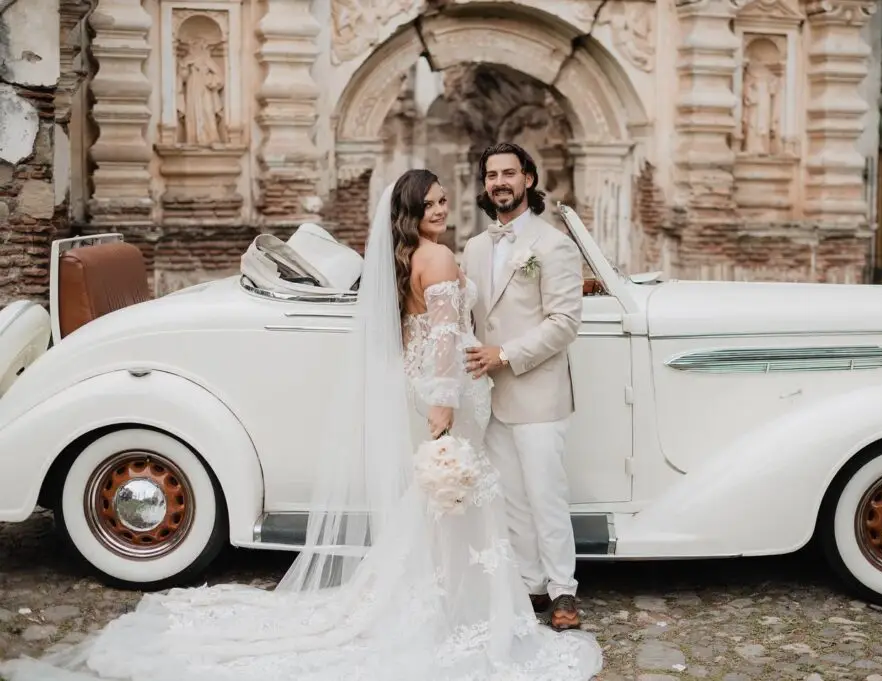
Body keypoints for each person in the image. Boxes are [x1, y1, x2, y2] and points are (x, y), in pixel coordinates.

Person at [0, 169, 603, 680]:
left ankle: (441, 596)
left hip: (428, 387)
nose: (443, 210)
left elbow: (422, 330)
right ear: (414, 212)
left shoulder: (411, 256)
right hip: (446, 392)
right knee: (453, 500)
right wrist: (445, 407)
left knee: (436, 505)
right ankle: (455, 607)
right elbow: (444, 338)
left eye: (446, 201)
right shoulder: (441, 255)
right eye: (433, 204)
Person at [462, 143, 585, 631]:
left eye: (509, 173)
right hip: (490, 398)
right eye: (492, 174)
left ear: (528, 179)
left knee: (546, 496)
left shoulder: (553, 244)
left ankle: (563, 592)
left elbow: (564, 322)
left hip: (538, 392)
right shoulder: (473, 247)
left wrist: (505, 355)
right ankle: (531, 585)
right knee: (510, 496)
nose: (500, 182)